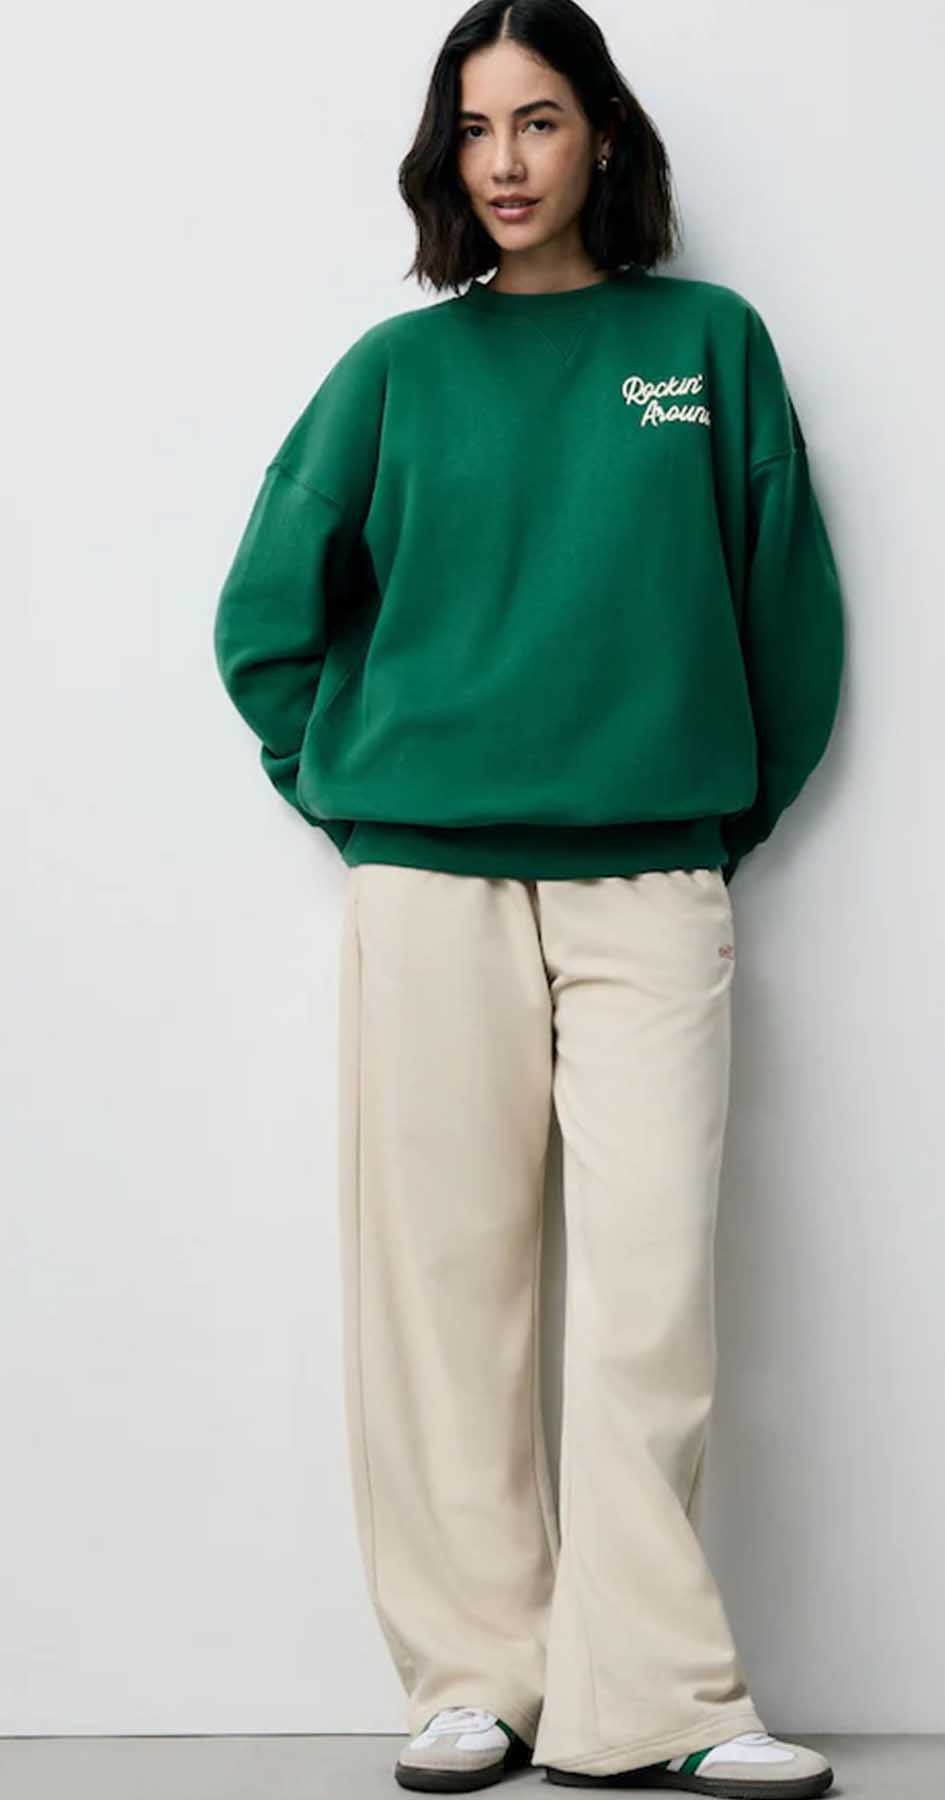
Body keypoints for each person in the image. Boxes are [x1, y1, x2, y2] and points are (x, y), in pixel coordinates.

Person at [213, 1, 844, 1794]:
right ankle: (473, 1675)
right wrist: (354, 795)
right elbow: (263, 618)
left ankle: (660, 1697)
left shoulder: (706, 346)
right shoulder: (396, 373)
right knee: (448, 1290)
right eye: (477, 128)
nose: (505, 161)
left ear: (603, 138)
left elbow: (791, 617)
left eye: (540, 120)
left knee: (651, 1301)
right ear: (448, 154)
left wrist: (709, 818)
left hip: (653, 880)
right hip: (433, 885)